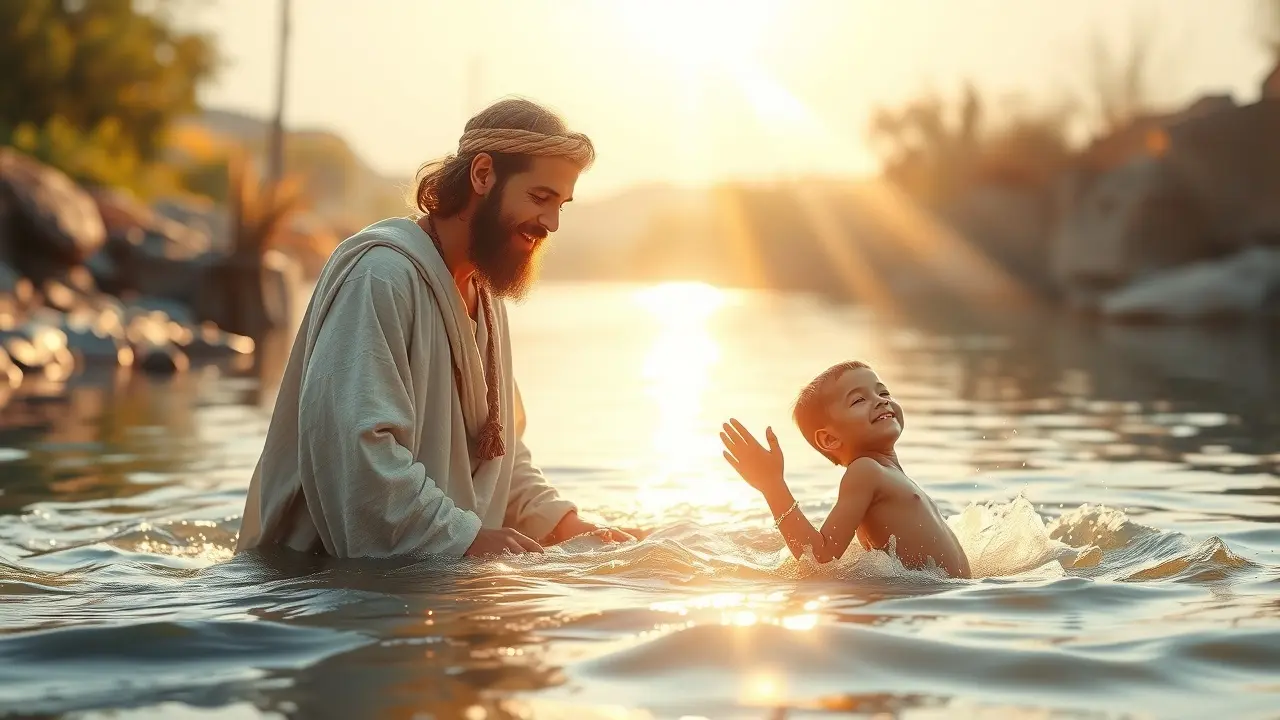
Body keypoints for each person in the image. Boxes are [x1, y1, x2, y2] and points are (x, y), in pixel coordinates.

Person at [235, 97, 642, 559]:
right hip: (312, 588)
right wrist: (464, 539)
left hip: (425, 573)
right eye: (540, 198)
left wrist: (564, 524)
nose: (551, 223)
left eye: (562, 204)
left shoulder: (485, 296)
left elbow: (498, 452)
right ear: (483, 174)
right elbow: (357, 450)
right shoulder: (381, 277)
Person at [720, 361, 971, 578]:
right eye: (859, 400)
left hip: (945, 595)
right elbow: (819, 558)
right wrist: (773, 485)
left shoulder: (890, 474)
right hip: (927, 600)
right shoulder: (865, 471)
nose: (881, 401)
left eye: (883, 392)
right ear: (830, 440)